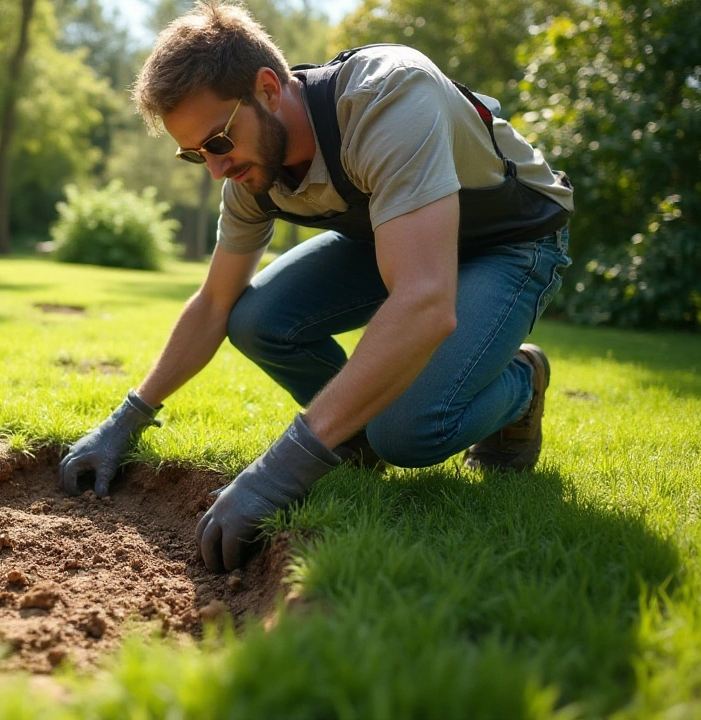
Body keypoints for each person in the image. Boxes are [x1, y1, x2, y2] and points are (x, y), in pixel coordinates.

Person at [59, 1, 573, 573]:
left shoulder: (388, 97)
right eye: (194, 153)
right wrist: (126, 418)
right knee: (258, 320)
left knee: (408, 433)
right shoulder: (252, 169)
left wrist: (283, 467)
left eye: (219, 141)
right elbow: (214, 303)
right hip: (395, 236)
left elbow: (424, 302)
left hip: (508, 241)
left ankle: (521, 384)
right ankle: (356, 436)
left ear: (268, 88)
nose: (214, 168)